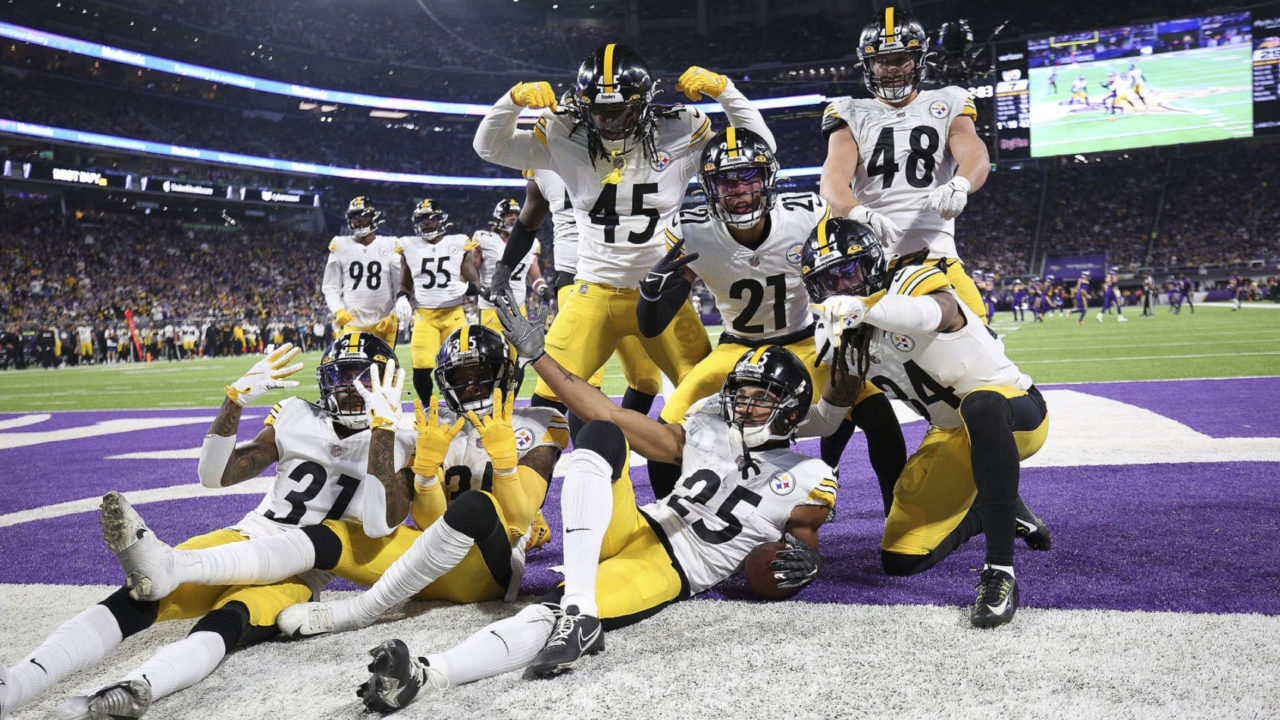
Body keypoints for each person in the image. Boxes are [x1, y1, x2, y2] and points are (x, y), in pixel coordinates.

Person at [353, 293, 836, 712]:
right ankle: (583, 610)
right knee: (603, 430)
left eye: (760, 398)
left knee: (548, 612)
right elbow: (603, 410)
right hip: (635, 525)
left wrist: (803, 562)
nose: (745, 407)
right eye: (742, 395)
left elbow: (794, 555)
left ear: (791, 409)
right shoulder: (707, 430)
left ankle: (426, 673)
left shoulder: (809, 478)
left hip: (675, 567)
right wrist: (539, 355)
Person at [0, 338, 418, 719]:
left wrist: (382, 428)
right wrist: (233, 402)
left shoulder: (403, 438)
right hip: (246, 538)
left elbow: (383, 523)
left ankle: (139, 688)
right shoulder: (296, 414)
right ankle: (17, 683)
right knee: (143, 593)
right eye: (340, 375)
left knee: (228, 620)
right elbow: (215, 476)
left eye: (360, 375)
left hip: (300, 572)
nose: (348, 386)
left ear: (387, 379)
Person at [96, 327, 566, 636]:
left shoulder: (539, 424)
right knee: (342, 534)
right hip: (437, 555)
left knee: (454, 513)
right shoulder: (429, 425)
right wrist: (424, 475)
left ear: (507, 375)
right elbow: (431, 523)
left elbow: (519, 515)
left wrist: (504, 463)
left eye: (480, 379)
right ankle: (171, 573)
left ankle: (346, 614)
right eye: (458, 380)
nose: (469, 392)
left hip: (494, 565)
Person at [474, 43, 774, 415]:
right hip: (593, 288)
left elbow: (761, 150)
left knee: (706, 398)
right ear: (584, 108)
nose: (611, 124)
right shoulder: (566, 133)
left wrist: (726, 92)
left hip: (658, 292)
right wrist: (512, 100)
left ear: (646, 103)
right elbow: (489, 147)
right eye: (601, 114)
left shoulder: (679, 130)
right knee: (550, 399)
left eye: (622, 112)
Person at [637, 126, 905, 511]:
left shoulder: (807, 215)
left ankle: (898, 518)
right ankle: (673, 524)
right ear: (710, 189)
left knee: (877, 411)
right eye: (727, 184)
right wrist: (650, 293)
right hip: (737, 349)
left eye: (749, 180)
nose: (740, 193)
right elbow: (651, 325)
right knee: (665, 433)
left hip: (805, 340)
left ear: (769, 179)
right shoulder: (692, 231)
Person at [803, 217, 1051, 628]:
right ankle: (993, 511)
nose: (842, 286)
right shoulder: (838, 334)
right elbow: (828, 419)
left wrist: (867, 307)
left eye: (849, 271)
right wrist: (768, 428)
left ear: (874, 264)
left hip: (1015, 413)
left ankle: (1000, 571)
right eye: (829, 281)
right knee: (901, 558)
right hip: (950, 433)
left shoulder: (911, 280)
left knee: (982, 404)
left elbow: (934, 313)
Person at [819, 8, 990, 323]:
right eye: (883, 61)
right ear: (869, 65)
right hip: (873, 263)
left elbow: (975, 153)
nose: (892, 69)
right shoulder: (849, 111)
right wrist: (858, 212)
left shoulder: (949, 100)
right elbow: (831, 183)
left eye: (901, 59)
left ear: (918, 60)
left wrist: (960, 183)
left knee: (980, 339)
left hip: (937, 257)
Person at [525, 167, 663, 416]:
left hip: (629, 278)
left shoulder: (623, 156)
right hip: (578, 275)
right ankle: (562, 449)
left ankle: (624, 443)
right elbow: (526, 223)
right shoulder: (547, 166)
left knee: (647, 380)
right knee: (581, 380)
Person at [395, 198, 482, 402]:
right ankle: (427, 409)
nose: (426, 223)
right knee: (422, 366)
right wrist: (401, 298)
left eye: (431, 219)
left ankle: (460, 407)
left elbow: (476, 285)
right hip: (425, 315)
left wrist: (466, 288)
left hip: (453, 315)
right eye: (422, 219)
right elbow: (405, 284)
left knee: (459, 367)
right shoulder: (408, 246)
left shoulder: (457, 243)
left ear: (441, 220)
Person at [322, 197, 403, 346]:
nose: (358, 221)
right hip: (353, 322)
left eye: (363, 216)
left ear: (374, 218)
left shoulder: (391, 244)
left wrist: (395, 314)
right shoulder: (340, 245)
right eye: (354, 217)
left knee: (385, 367)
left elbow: (403, 287)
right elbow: (330, 286)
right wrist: (338, 309)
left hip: (384, 322)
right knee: (351, 367)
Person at [472, 198, 547, 334]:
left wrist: (543, 290)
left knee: (519, 355)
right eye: (509, 214)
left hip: (519, 308)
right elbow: (470, 272)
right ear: (499, 217)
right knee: (494, 353)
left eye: (516, 215)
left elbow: (535, 277)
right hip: (491, 308)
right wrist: (482, 290)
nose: (514, 218)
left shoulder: (532, 243)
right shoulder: (484, 239)